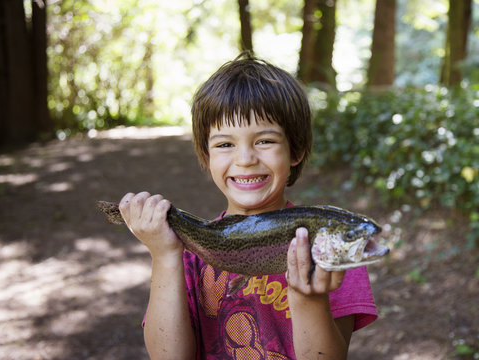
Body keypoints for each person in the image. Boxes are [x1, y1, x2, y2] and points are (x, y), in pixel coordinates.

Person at [118, 53, 378, 359]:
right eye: (225, 144)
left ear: (295, 150)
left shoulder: (331, 248)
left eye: (264, 141)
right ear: (207, 156)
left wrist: (310, 299)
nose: (245, 159)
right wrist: (164, 256)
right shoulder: (189, 254)